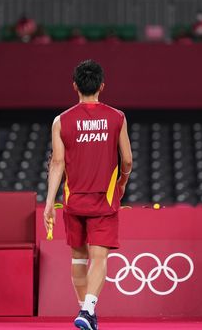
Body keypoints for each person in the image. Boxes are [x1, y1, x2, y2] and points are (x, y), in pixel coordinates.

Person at [44, 59, 132, 330]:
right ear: (102, 86)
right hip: (104, 201)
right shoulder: (117, 117)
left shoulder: (61, 121)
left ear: (75, 87)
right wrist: (123, 183)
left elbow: (57, 163)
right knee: (99, 258)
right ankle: (88, 310)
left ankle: (85, 313)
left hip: (74, 200)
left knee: (79, 258)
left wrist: (49, 204)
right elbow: (127, 160)